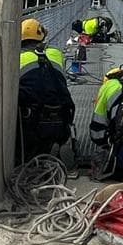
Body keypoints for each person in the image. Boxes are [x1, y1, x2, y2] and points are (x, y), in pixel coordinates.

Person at [18, 18, 75, 162]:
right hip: (62, 118)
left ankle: (34, 152)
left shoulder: (17, 59)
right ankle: (53, 145)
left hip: (32, 123)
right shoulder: (56, 53)